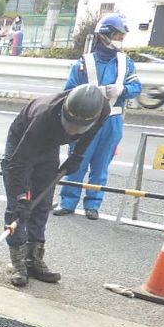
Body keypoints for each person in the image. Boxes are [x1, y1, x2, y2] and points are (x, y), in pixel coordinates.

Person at [1, 84, 109, 287]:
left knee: (43, 203)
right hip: (22, 143)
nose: (74, 131)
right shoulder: (43, 116)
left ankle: (34, 260)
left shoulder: (102, 109)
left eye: (79, 128)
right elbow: (19, 163)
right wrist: (21, 197)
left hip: (50, 145)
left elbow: (90, 133)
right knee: (18, 208)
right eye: (71, 125)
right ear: (64, 112)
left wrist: (77, 155)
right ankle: (18, 264)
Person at [54, 14, 141, 220]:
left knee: (101, 166)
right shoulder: (84, 63)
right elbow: (68, 91)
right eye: (117, 35)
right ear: (104, 36)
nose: (120, 39)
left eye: (122, 35)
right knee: (78, 162)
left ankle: (93, 204)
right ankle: (68, 201)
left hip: (112, 121)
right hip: (87, 121)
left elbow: (136, 87)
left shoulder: (125, 62)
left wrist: (122, 89)